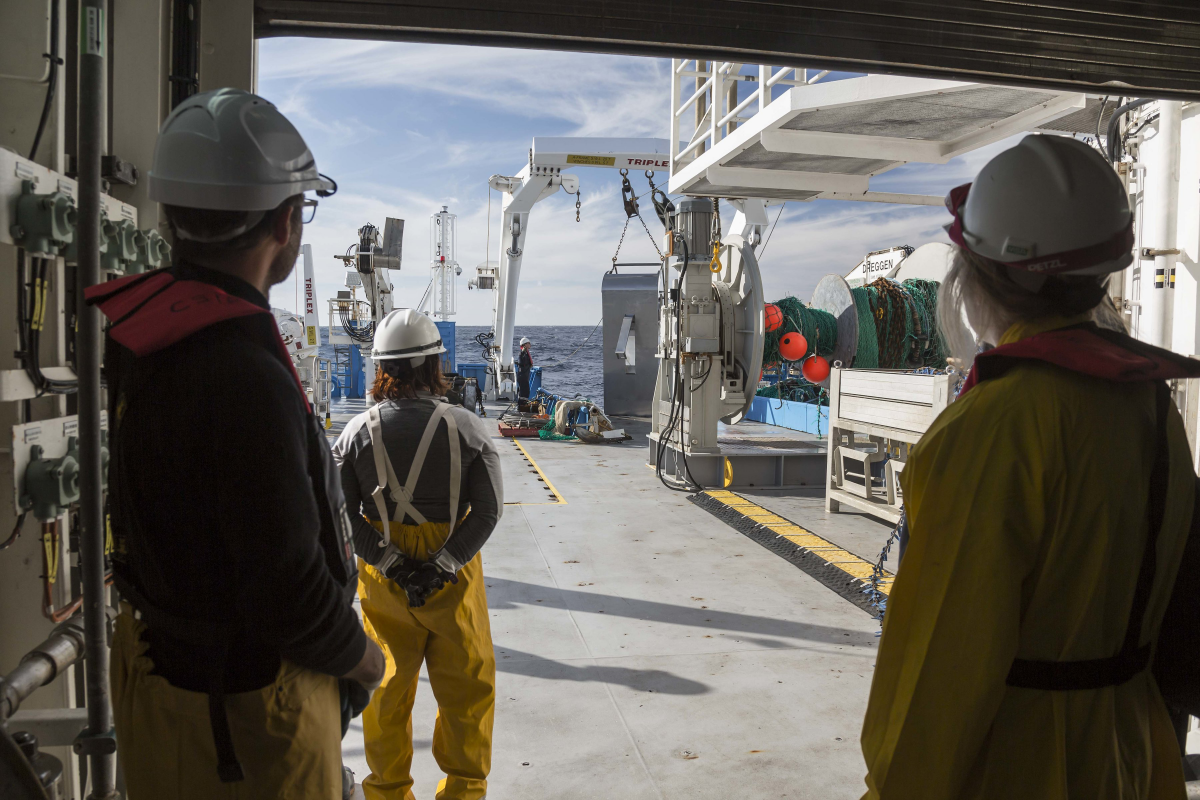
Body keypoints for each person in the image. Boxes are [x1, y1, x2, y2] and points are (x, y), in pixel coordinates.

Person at [860, 134, 1198, 800]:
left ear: (978, 275)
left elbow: (942, 664)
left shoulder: (993, 426)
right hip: (1136, 754)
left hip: (1020, 763)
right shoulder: (1150, 404)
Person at [87, 88, 385, 799]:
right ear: (287, 220)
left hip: (169, 689)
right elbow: (285, 587)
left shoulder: (148, 343)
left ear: (170, 216)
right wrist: (364, 659)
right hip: (245, 723)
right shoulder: (245, 375)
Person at [332, 309, 503, 800]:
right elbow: (487, 513)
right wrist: (444, 565)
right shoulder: (469, 429)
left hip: (385, 574)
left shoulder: (355, 434)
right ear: (434, 365)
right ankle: (464, 790)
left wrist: (391, 565)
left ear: (381, 367)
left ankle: (387, 792)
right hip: (453, 570)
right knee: (468, 690)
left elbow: (342, 516)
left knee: (385, 692)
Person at [517, 336, 534, 400]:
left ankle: (523, 404)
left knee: (526, 392)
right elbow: (521, 362)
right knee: (524, 392)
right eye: (528, 343)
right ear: (525, 344)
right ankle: (521, 405)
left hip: (525, 375)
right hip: (522, 375)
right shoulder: (522, 353)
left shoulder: (526, 353)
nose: (530, 344)